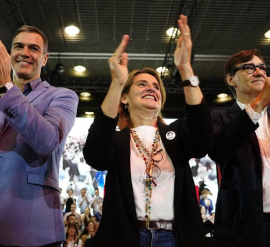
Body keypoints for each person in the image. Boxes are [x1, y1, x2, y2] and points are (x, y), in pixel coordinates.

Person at [82, 15, 212, 246]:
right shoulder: (116, 140)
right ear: (125, 98)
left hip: (175, 238)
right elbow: (94, 155)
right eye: (142, 84)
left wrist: (185, 68)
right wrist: (116, 84)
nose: (151, 88)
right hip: (128, 238)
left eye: (156, 86)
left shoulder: (177, 132)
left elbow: (202, 136)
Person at [0, 25, 78, 246]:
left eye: (33, 48)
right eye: (18, 46)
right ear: (10, 54)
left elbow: (47, 141)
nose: (25, 52)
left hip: (32, 225)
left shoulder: (62, 96)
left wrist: (6, 87)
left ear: (44, 59)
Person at [209, 48, 270, 246]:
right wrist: (258, 105)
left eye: (262, 67)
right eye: (248, 68)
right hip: (244, 224)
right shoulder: (219, 118)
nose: (259, 72)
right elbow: (220, 150)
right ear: (231, 80)